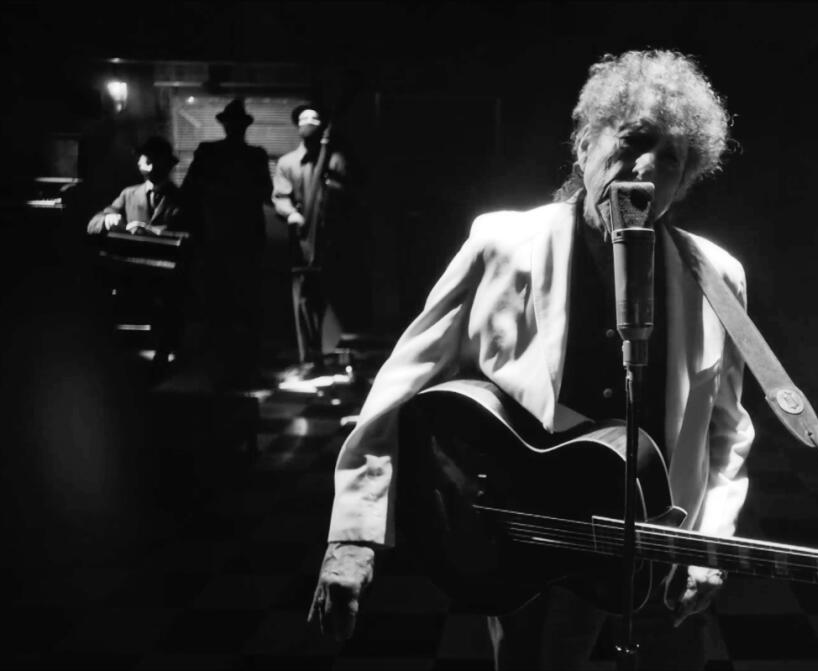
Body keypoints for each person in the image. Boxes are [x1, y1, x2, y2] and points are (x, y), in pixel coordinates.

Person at [309, 50, 753, 670]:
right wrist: (352, 534)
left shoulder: (719, 275)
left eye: (674, 157)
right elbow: (401, 384)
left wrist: (712, 546)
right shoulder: (501, 244)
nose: (648, 168)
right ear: (584, 147)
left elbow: (726, 429)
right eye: (632, 141)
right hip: (526, 543)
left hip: (660, 555)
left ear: (689, 178)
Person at [181, 98, 273, 388]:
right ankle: (223, 369)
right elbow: (190, 192)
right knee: (222, 306)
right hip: (219, 240)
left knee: (242, 306)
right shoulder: (213, 154)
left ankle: (242, 368)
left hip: (239, 241)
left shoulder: (251, 156)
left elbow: (264, 192)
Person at [271, 103, 351, 368]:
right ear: (297, 126)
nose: (308, 121)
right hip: (302, 241)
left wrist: (332, 188)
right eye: (303, 118)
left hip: (331, 240)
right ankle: (309, 356)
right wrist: (291, 213)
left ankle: (331, 351)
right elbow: (280, 197)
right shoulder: (286, 163)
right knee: (303, 298)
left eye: (314, 118)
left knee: (331, 296)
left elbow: (349, 196)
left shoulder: (335, 159)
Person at [85, 136, 187, 236]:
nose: (151, 165)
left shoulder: (182, 198)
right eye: (147, 159)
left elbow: (190, 234)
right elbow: (93, 224)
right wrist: (107, 219)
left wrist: (149, 230)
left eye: (156, 159)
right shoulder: (128, 194)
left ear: (168, 164)